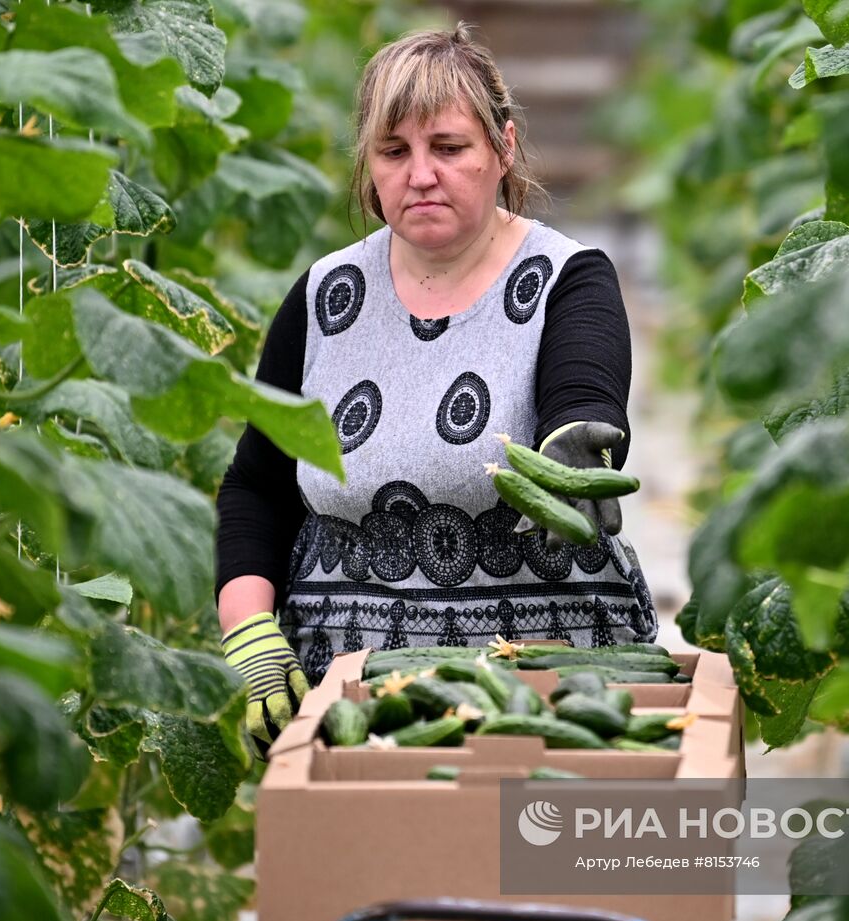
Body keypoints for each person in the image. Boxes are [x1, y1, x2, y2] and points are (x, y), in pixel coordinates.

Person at [214, 23, 658, 755]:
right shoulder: (326, 296)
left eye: (448, 148)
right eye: (394, 152)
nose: (420, 174)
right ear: (370, 167)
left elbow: (583, 394)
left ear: (502, 149)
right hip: (353, 702)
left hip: (543, 696)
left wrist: (577, 448)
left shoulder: (565, 279)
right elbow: (257, 484)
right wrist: (253, 638)